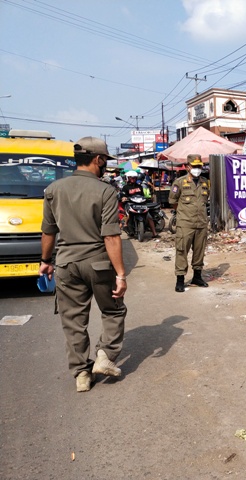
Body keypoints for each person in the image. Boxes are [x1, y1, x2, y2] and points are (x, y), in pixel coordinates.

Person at [39, 137, 127, 393]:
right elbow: (110, 236)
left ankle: (81, 374)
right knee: (113, 311)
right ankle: (105, 356)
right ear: (98, 160)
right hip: (99, 264)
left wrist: (45, 261)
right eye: (105, 161)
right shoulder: (106, 190)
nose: (106, 166)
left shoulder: (53, 189)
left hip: (66, 265)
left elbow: (48, 232)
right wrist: (120, 274)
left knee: (74, 321)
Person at [169, 154, 210, 292]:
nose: (197, 169)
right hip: (185, 223)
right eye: (194, 166)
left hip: (201, 223)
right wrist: (183, 214)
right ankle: (180, 280)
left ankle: (197, 277)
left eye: (199, 166)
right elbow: (173, 202)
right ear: (188, 167)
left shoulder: (205, 182)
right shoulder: (179, 182)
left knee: (199, 251)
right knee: (182, 251)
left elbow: (205, 200)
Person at [120, 170, 158, 238]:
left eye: (134, 178)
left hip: (140, 204)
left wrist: (147, 198)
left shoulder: (139, 186)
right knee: (128, 215)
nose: (133, 179)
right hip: (130, 204)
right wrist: (124, 198)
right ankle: (125, 225)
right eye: (131, 178)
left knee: (149, 217)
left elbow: (142, 195)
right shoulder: (125, 187)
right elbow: (123, 195)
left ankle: (154, 233)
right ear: (128, 178)